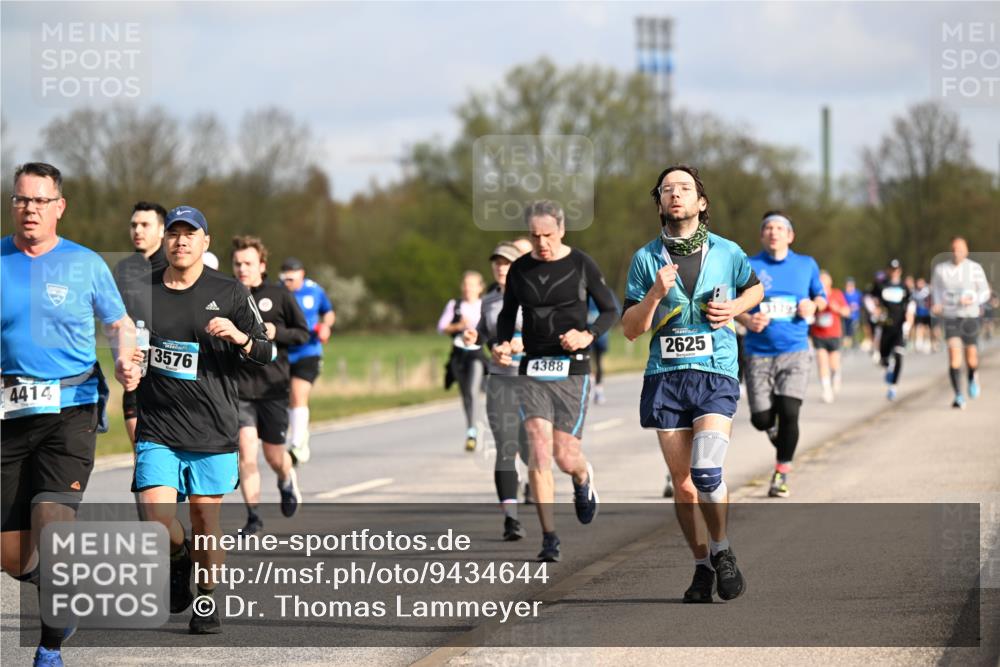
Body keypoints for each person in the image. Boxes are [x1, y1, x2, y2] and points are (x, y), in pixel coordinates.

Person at [2, 162, 139, 667]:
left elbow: (120, 323)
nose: (29, 209)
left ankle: (49, 647)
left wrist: (126, 355)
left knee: (53, 527)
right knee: (13, 557)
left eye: (40, 200)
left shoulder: (84, 264)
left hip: (71, 410)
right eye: (21, 199)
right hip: (8, 414)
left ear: (59, 206)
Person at [125, 206, 273, 635]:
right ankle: (176, 558)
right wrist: (129, 365)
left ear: (205, 243)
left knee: (206, 523)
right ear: (164, 240)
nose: (181, 240)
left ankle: (206, 597)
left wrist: (241, 336)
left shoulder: (229, 292)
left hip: (212, 427)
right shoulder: (142, 291)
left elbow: (268, 352)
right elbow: (129, 343)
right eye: (174, 233)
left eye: (191, 234)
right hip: (159, 425)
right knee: (154, 515)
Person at [622, 164, 761, 603]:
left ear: (701, 202)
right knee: (682, 483)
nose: (675, 194)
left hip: (716, 370)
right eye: (667, 189)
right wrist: (654, 296)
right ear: (660, 203)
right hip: (666, 377)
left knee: (705, 472)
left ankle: (722, 550)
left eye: (684, 188)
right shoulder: (646, 259)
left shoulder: (728, 251)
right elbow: (629, 329)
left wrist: (736, 306)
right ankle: (702, 566)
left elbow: (754, 290)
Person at [493, 200, 619, 563]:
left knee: (565, 456)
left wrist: (588, 334)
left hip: (572, 369)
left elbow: (610, 310)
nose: (541, 242)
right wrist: (502, 345)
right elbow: (507, 315)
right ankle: (549, 537)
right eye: (534, 236)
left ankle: (582, 479)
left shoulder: (581, 264)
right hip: (532, 367)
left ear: (562, 230)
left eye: (547, 235)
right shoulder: (520, 269)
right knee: (538, 448)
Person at [735, 210, 826, 499]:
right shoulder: (748, 265)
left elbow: (820, 297)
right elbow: (731, 305)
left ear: (790, 235)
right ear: (762, 235)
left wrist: (813, 306)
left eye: (779, 228)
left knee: (790, 412)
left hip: (795, 351)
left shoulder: (806, 264)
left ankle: (781, 473)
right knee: (761, 419)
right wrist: (748, 320)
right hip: (758, 353)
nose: (773, 232)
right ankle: (777, 433)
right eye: (768, 228)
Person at [231, 236, 309, 535]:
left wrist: (278, 331)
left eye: (248, 263)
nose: (242, 269)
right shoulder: (227, 295)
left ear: (262, 266)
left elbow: (303, 333)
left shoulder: (279, 295)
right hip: (240, 390)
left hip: (273, 389)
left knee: (274, 457)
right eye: (237, 263)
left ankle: (286, 479)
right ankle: (253, 517)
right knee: (246, 452)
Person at [463, 242, 531, 540]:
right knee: (506, 448)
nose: (501, 268)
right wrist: (474, 337)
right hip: (501, 380)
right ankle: (511, 518)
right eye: (497, 263)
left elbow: (549, 331)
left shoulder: (534, 296)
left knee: (530, 448)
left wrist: (523, 343)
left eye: (507, 263)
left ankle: (532, 483)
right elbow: (484, 333)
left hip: (533, 381)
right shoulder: (489, 301)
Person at [113, 201, 169, 446]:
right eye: (134, 225)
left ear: (161, 230)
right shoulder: (122, 269)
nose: (138, 230)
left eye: (145, 225)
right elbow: (113, 320)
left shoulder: (175, 267)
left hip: (170, 371)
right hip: (136, 365)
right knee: (141, 450)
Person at [280, 258, 335, 464]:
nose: (289, 281)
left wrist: (326, 326)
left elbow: (328, 312)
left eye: (292, 277)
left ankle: (297, 444)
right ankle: (299, 433)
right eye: (285, 277)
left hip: (308, 350)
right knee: (286, 399)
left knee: (298, 393)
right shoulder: (278, 292)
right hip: (284, 352)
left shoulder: (314, 291)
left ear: (302, 274)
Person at [931, 236, 992, 409]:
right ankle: (958, 395)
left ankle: (973, 376)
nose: (956, 252)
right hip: (951, 317)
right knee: (954, 357)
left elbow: (985, 292)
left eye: (960, 249)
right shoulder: (941, 270)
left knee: (971, 358)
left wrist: (972, 299)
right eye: (954, 249)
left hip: (970, 317)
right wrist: (936, 303)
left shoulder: (974, 268)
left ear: (966, 251)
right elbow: (935, 288)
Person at [438, 271, 487, 451]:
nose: (468, 288)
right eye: (465, 284)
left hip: (477, 354)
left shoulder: (484, 305)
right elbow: (441, 327)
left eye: (472, 285)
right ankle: (470, 428)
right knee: (465, 393)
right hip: (459, 354)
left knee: (473, 391)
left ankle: (473, 432)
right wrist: (458, 326)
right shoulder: (455, 305)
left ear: (480, 288)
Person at [871, 259, 914, 401]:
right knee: (884, 359)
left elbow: (910, 303)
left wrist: (909, 317)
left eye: (897, 270)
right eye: (892, 269)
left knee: (899, 355)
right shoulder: (881, 285)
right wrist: (875, 309)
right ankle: (888, 366)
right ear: (888, 271)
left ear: (900, 271)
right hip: (885, 327)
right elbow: (870, 299)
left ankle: (893, 387)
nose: (894, 272)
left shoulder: (904, 287)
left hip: (899, 327)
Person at [810, 270, 850, 403]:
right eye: (819, 280)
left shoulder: (837, 294)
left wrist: (836, 308)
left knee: (834, 364)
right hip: (818, 333)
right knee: (822, 361)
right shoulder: (813, 295)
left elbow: (847, 312)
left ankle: (836, 376)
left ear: (830, 282)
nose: (822, 282)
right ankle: (826, 390)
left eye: (824, 280)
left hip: (834, 333)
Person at [587, 294, 619, 405]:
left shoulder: (606, 292)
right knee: (587, 361)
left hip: (601, 335)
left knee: (599, 362)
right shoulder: (582, 289)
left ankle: (599, 390)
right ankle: (590, 385)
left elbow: (615, 311)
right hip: (585, 335)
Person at [912, 277, 934, 353]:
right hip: (918, 312)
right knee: (918, 327)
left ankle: (927, 342)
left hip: (927, 312)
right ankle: (919, 342)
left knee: (927, 328)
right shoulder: (914, 292)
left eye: (921, 283)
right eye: (918, 283)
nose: (920, 284)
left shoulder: (928, 291)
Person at [842, 277, 863, 349]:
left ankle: (856, 343)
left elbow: (861, 304)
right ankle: (847, 346)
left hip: (855, 316)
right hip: (847, 317)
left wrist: (856, 307)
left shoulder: (858, 294)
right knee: (847, 331)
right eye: (848, 285)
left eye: (851, 285)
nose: (849, 287)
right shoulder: (844, 294)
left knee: (855, 329)